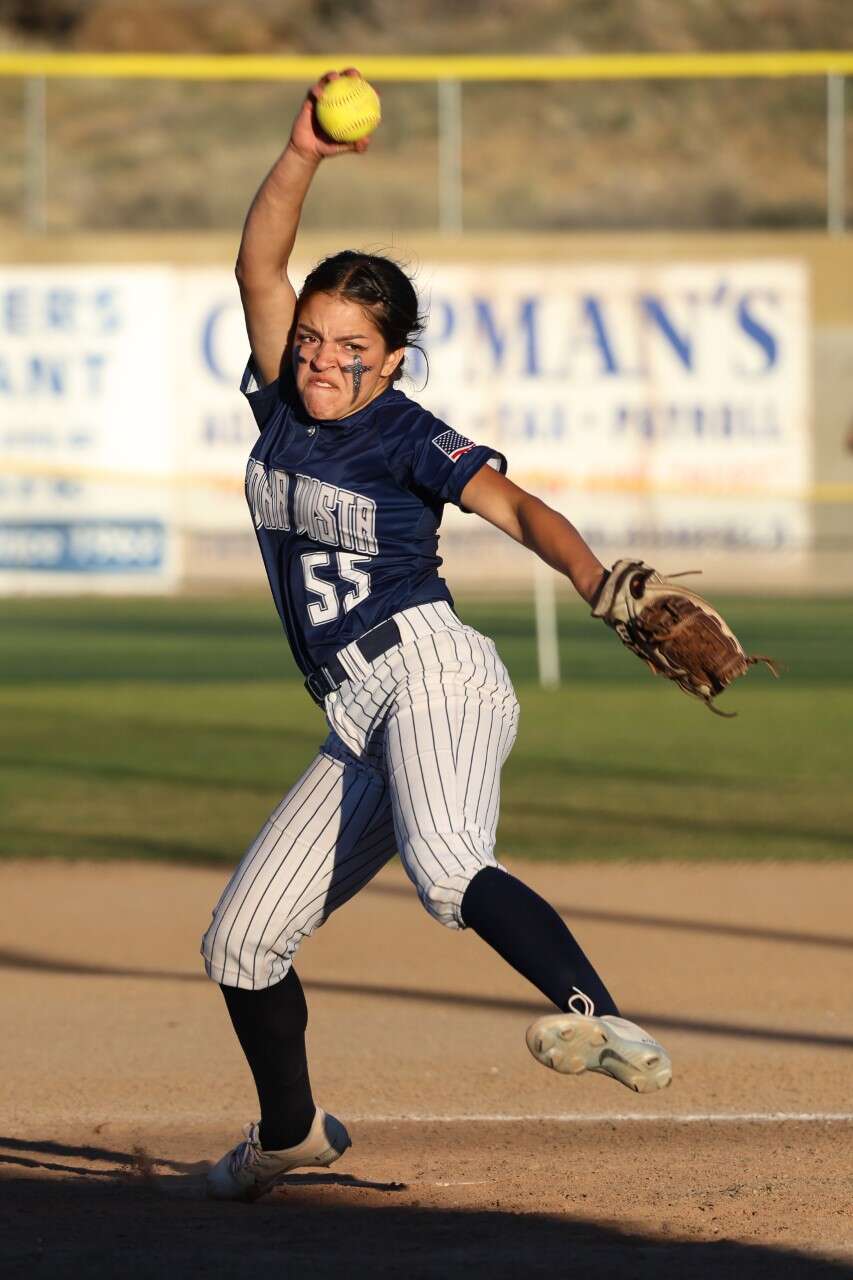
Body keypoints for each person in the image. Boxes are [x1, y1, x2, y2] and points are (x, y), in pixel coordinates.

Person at [202, 69, 672, 1203]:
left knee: (449, 865)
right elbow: (258, 264)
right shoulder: (282, 397)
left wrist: (597, 578)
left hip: (432, 672)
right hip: (353, 712)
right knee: (241, 942)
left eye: (348, 348)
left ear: (394, 359)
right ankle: (290, 1132)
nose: (320, 362)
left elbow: (514, 507)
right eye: (310, 340)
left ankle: (595, 1013)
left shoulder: (406, 433)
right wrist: (303, 151)